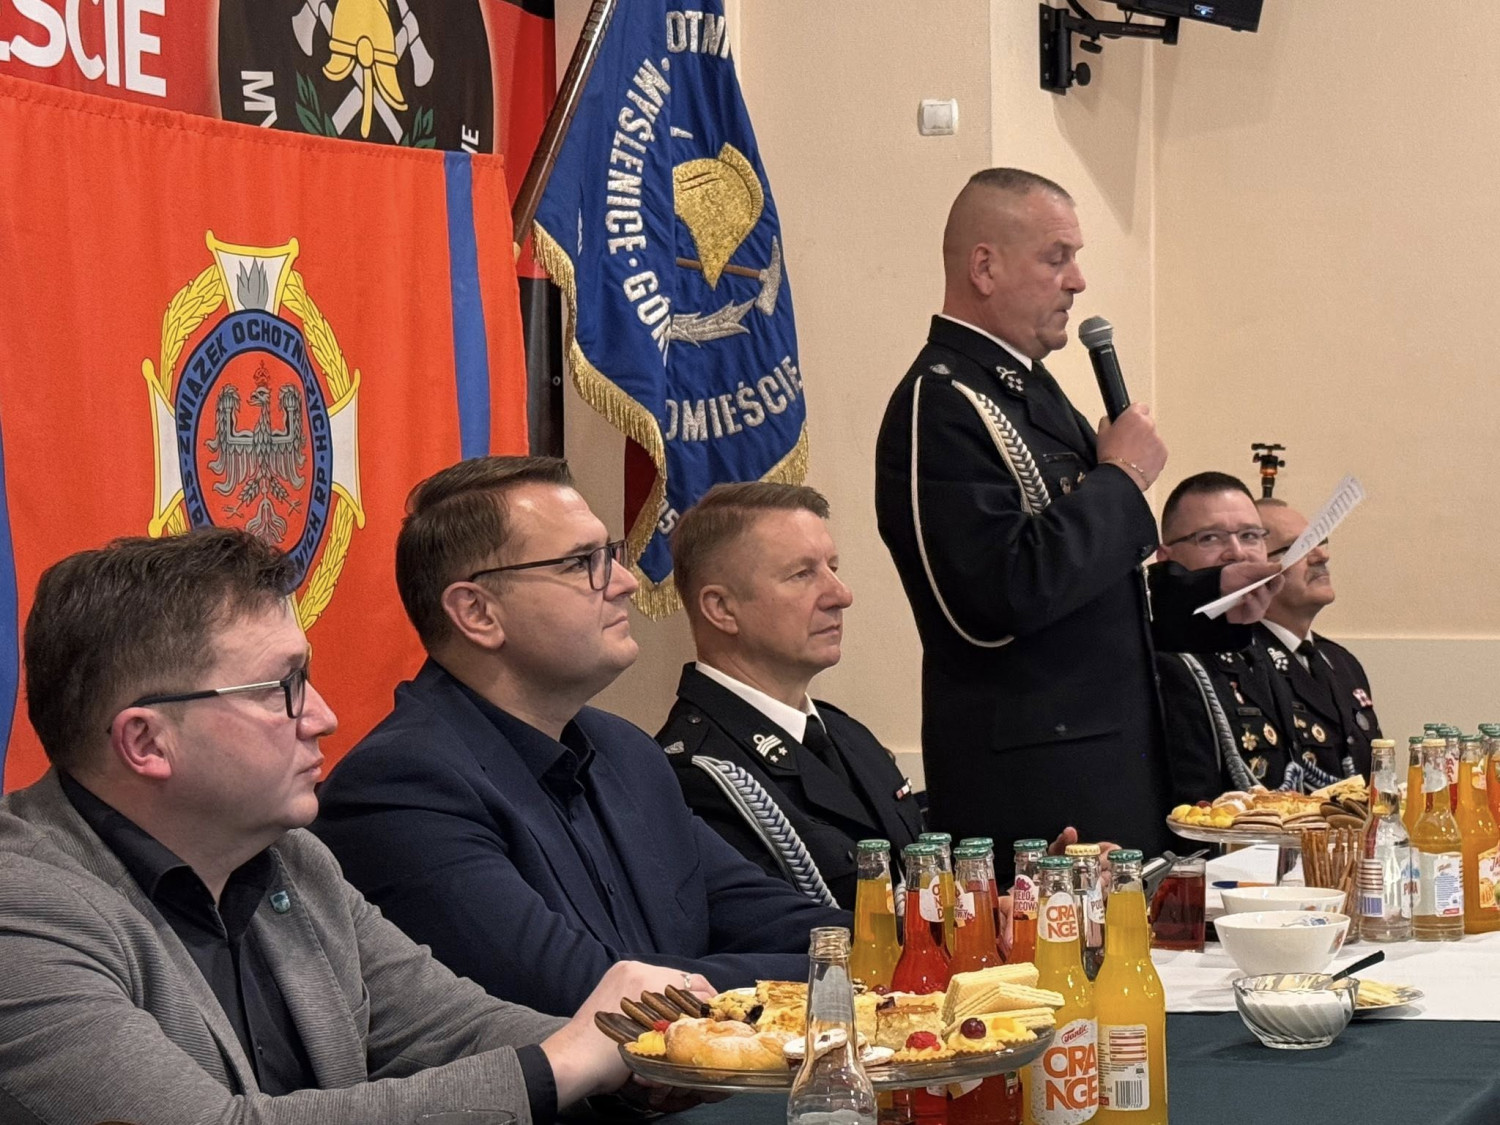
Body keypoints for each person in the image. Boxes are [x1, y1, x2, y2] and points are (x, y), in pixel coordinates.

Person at [0, 529, 692, 1125]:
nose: (324, 718)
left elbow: (454, 1029)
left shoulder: (296, 862)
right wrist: (565, 1063)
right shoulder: (21, 909)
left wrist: (640, 1056)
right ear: (147, 742)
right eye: (282, 688)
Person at [313, 456, 849, 1018]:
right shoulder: (401, 788)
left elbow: (782, 923)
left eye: (610, 555)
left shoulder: (628, 752)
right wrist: (827, 970)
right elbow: (588, 996)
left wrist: (889, 947)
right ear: (477, 612)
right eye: (580, 563)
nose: (625, 582)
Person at [873, 167, 1281, 866]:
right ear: (985, 267)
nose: (1078, 281)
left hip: (1114, 772)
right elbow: (993, 598)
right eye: (1056, 257)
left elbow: (1092, 601)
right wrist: (1121, 479)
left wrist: (1209, 599)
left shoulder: (1030, 391)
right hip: (1036, 796)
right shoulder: (940, 402)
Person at [655, 482, 923, 909]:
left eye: (833, 567)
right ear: (721, 608)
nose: (841, 595)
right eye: (802, 574)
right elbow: (777, 932)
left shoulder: (844, 734)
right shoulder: (695, 776)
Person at [1154, 472, 1299, 801]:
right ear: (1166, 558)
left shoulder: (1272, 649)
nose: (1237, 553)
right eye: (1210, 538)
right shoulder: (1159, 655)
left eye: (1250, 536)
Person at [1254, 498, 1381, 781]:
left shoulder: (1341, 662)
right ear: (1256, 570)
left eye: (1320, 541)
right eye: (1299, 548)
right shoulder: (1246, 665)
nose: (1321, 556)